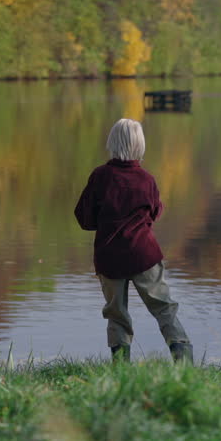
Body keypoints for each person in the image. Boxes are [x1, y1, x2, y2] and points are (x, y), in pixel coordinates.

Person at [74, 118, 193, 363]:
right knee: (163, 308)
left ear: (112, 142)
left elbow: (84, 218)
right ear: (140, 144)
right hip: (143, 255)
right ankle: (183, 362)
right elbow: (154, 213)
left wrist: (107, 222)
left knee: (116, 314)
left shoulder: (100, 176)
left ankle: (121, 367)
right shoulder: (147, 179)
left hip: (109, 257)